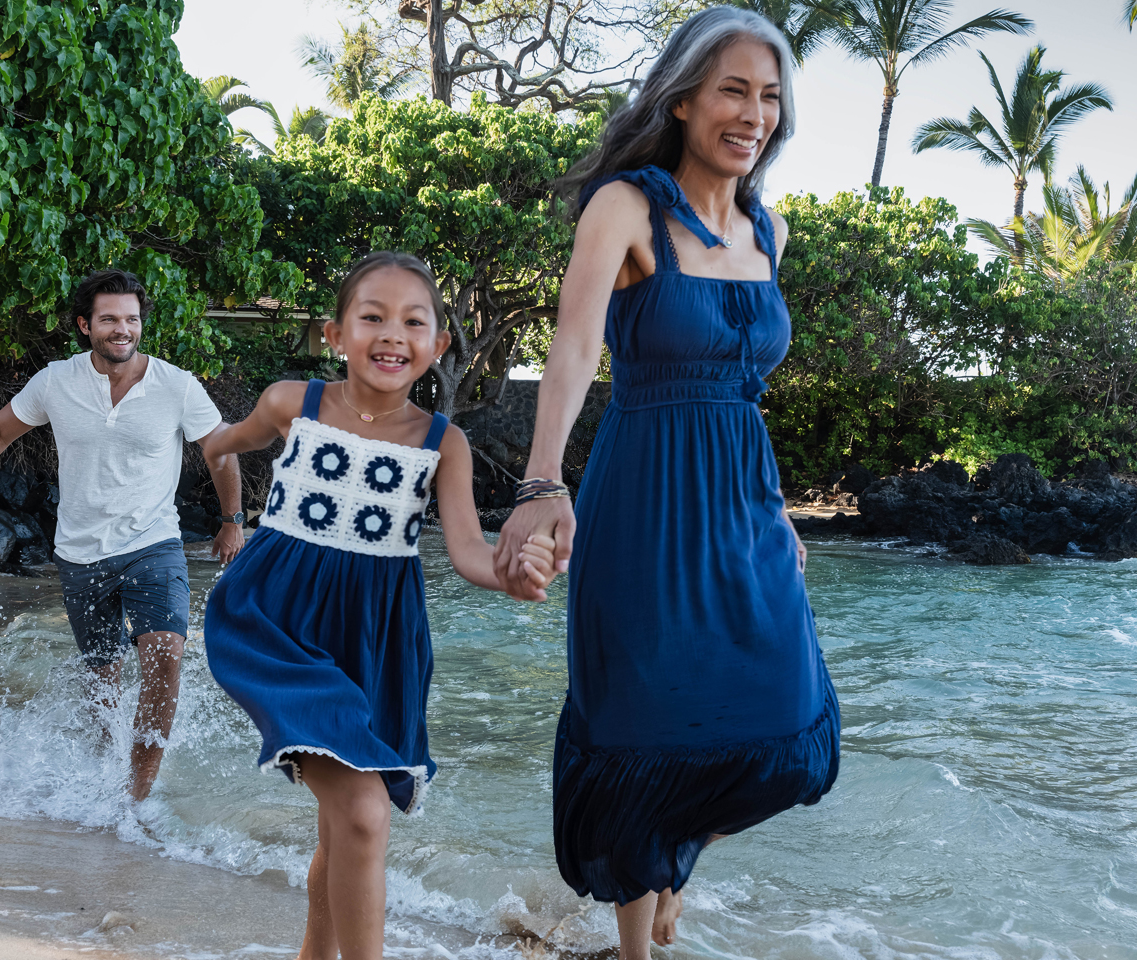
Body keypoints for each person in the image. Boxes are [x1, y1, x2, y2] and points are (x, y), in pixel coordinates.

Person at [491, 9, 841, 957]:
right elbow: (572, 349)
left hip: (744, 504)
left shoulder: (770, 230)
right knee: (642, 722)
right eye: (734, 89)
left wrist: (778, 512)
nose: (754, 113)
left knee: (794, 739)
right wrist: (539, 483)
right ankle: (637, 945)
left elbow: (747, 388)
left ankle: (672, 852)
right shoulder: (627, 208)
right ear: (683, 100)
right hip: (644, 499)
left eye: (770, 96)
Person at [200, 252, 559, 960]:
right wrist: (231, 509)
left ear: (438, 346)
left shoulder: (442, 443)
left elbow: (468, 553)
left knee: (346, 822)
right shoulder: (290, 402)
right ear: (335, 335)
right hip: (275, 624)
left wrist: (513, 574)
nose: (392, 334)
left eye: (412, 321)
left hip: (374, 640)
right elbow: (221, 445)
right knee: (364, 814)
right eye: (372, 317)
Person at [0, 268, 245, 802]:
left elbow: (220, 448)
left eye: (131, 319)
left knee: (164, 657)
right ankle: (105, 776)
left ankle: (136, 800)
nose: (122, 329)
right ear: (86, 325)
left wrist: (231, 520)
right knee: (102, 680)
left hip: (153, 543)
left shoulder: (177, 386)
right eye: (109, 319)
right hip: (79, 556)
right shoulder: (56, 381)